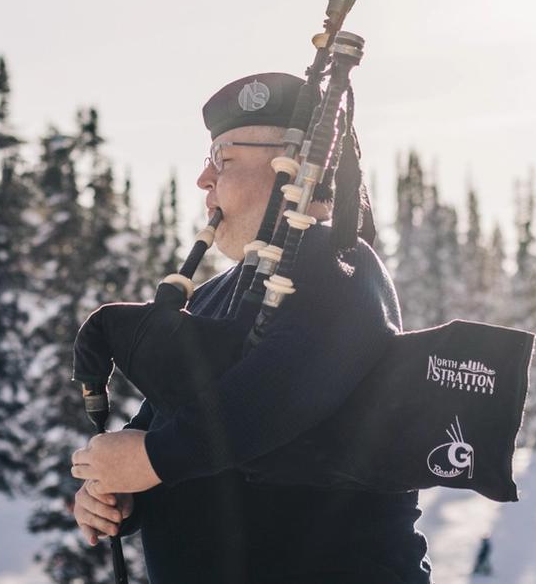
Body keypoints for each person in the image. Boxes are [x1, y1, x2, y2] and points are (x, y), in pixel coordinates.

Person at [68, 72, 430, 583]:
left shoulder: (339, 266)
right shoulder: (218, 293)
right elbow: (173, 423)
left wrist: (153, 459)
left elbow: (280, 393)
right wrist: (122, 491)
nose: (203, 180)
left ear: (297, 167)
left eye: (224, 159)